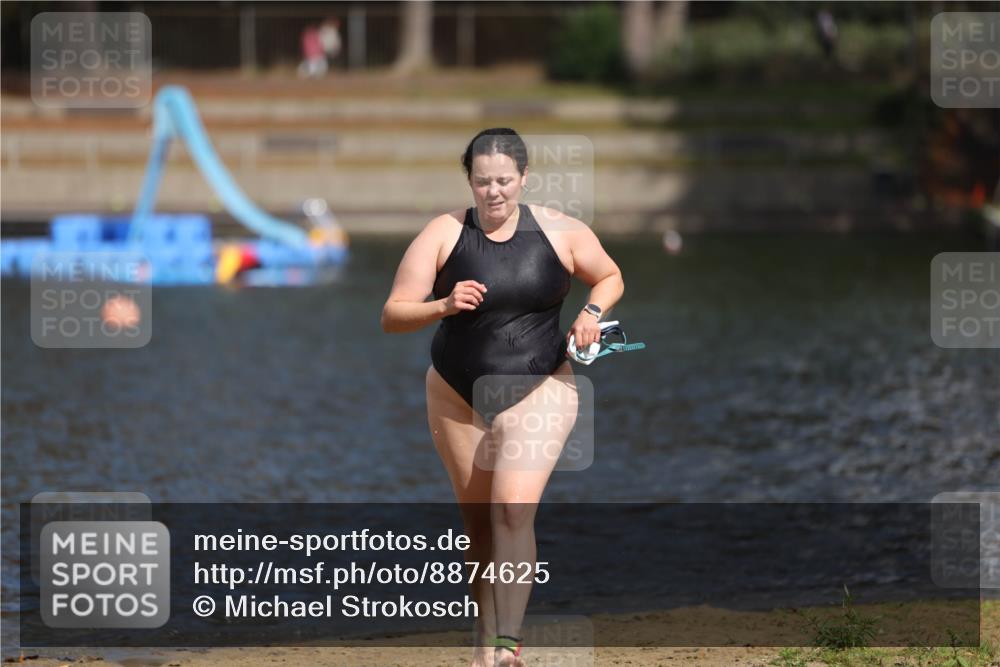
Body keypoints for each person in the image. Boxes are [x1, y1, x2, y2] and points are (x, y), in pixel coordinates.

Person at [381, 129, 625, 667]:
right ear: (469, 179)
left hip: (540, 389)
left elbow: (609, 276)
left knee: (512, 511)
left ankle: (508, 646)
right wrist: (442, 305)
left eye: (504, 181)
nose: (493, 192)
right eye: (482, 181)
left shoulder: (560, 231)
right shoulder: (443, 233)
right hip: (455, 393)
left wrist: (590, 314)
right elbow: (393, 314)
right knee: (478, 525)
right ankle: (484, 641)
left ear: (524, 178)